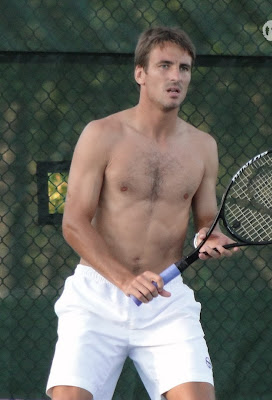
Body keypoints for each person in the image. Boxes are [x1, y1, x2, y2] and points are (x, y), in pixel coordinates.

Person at [46, 26, 238, 400]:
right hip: (96, 297)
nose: (175, 77)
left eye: (184, 68)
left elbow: (206, 220)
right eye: (164, 65)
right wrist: (123, 279)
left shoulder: (203, 147)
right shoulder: (101, 134)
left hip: (166, 301)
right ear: (140, 73)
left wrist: (209, 237)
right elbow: (73, 223)